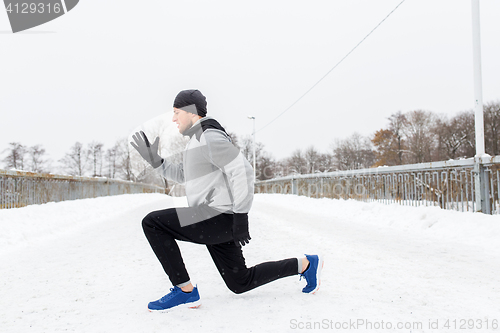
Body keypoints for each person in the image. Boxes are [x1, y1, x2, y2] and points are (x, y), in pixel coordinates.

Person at [131, 89, 323, 312]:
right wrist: (156, 161)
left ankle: (185, 291)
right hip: (215, 218)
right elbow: (184, 175)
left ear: (191, 111)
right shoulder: (196, 140)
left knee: (153, 223)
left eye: (176, 112)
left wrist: (241, 215)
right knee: (240, 282)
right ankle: (305, 265)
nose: (173, 118)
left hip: (216, 216)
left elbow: (243, 172)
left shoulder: (208, 136)